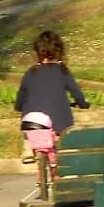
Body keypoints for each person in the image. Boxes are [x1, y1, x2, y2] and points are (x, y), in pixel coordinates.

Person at [15, 30, 90, 185]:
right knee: (61, 142)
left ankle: (28, 146)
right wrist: (82, 103)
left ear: (37, 51)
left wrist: (18, 107)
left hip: (32, 121)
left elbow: (21, 96)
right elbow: (77, 93)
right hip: (58, 121)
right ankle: (59, 169)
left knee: (30, 124)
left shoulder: (30, 72)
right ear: (59, 51)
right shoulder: (63, 71)